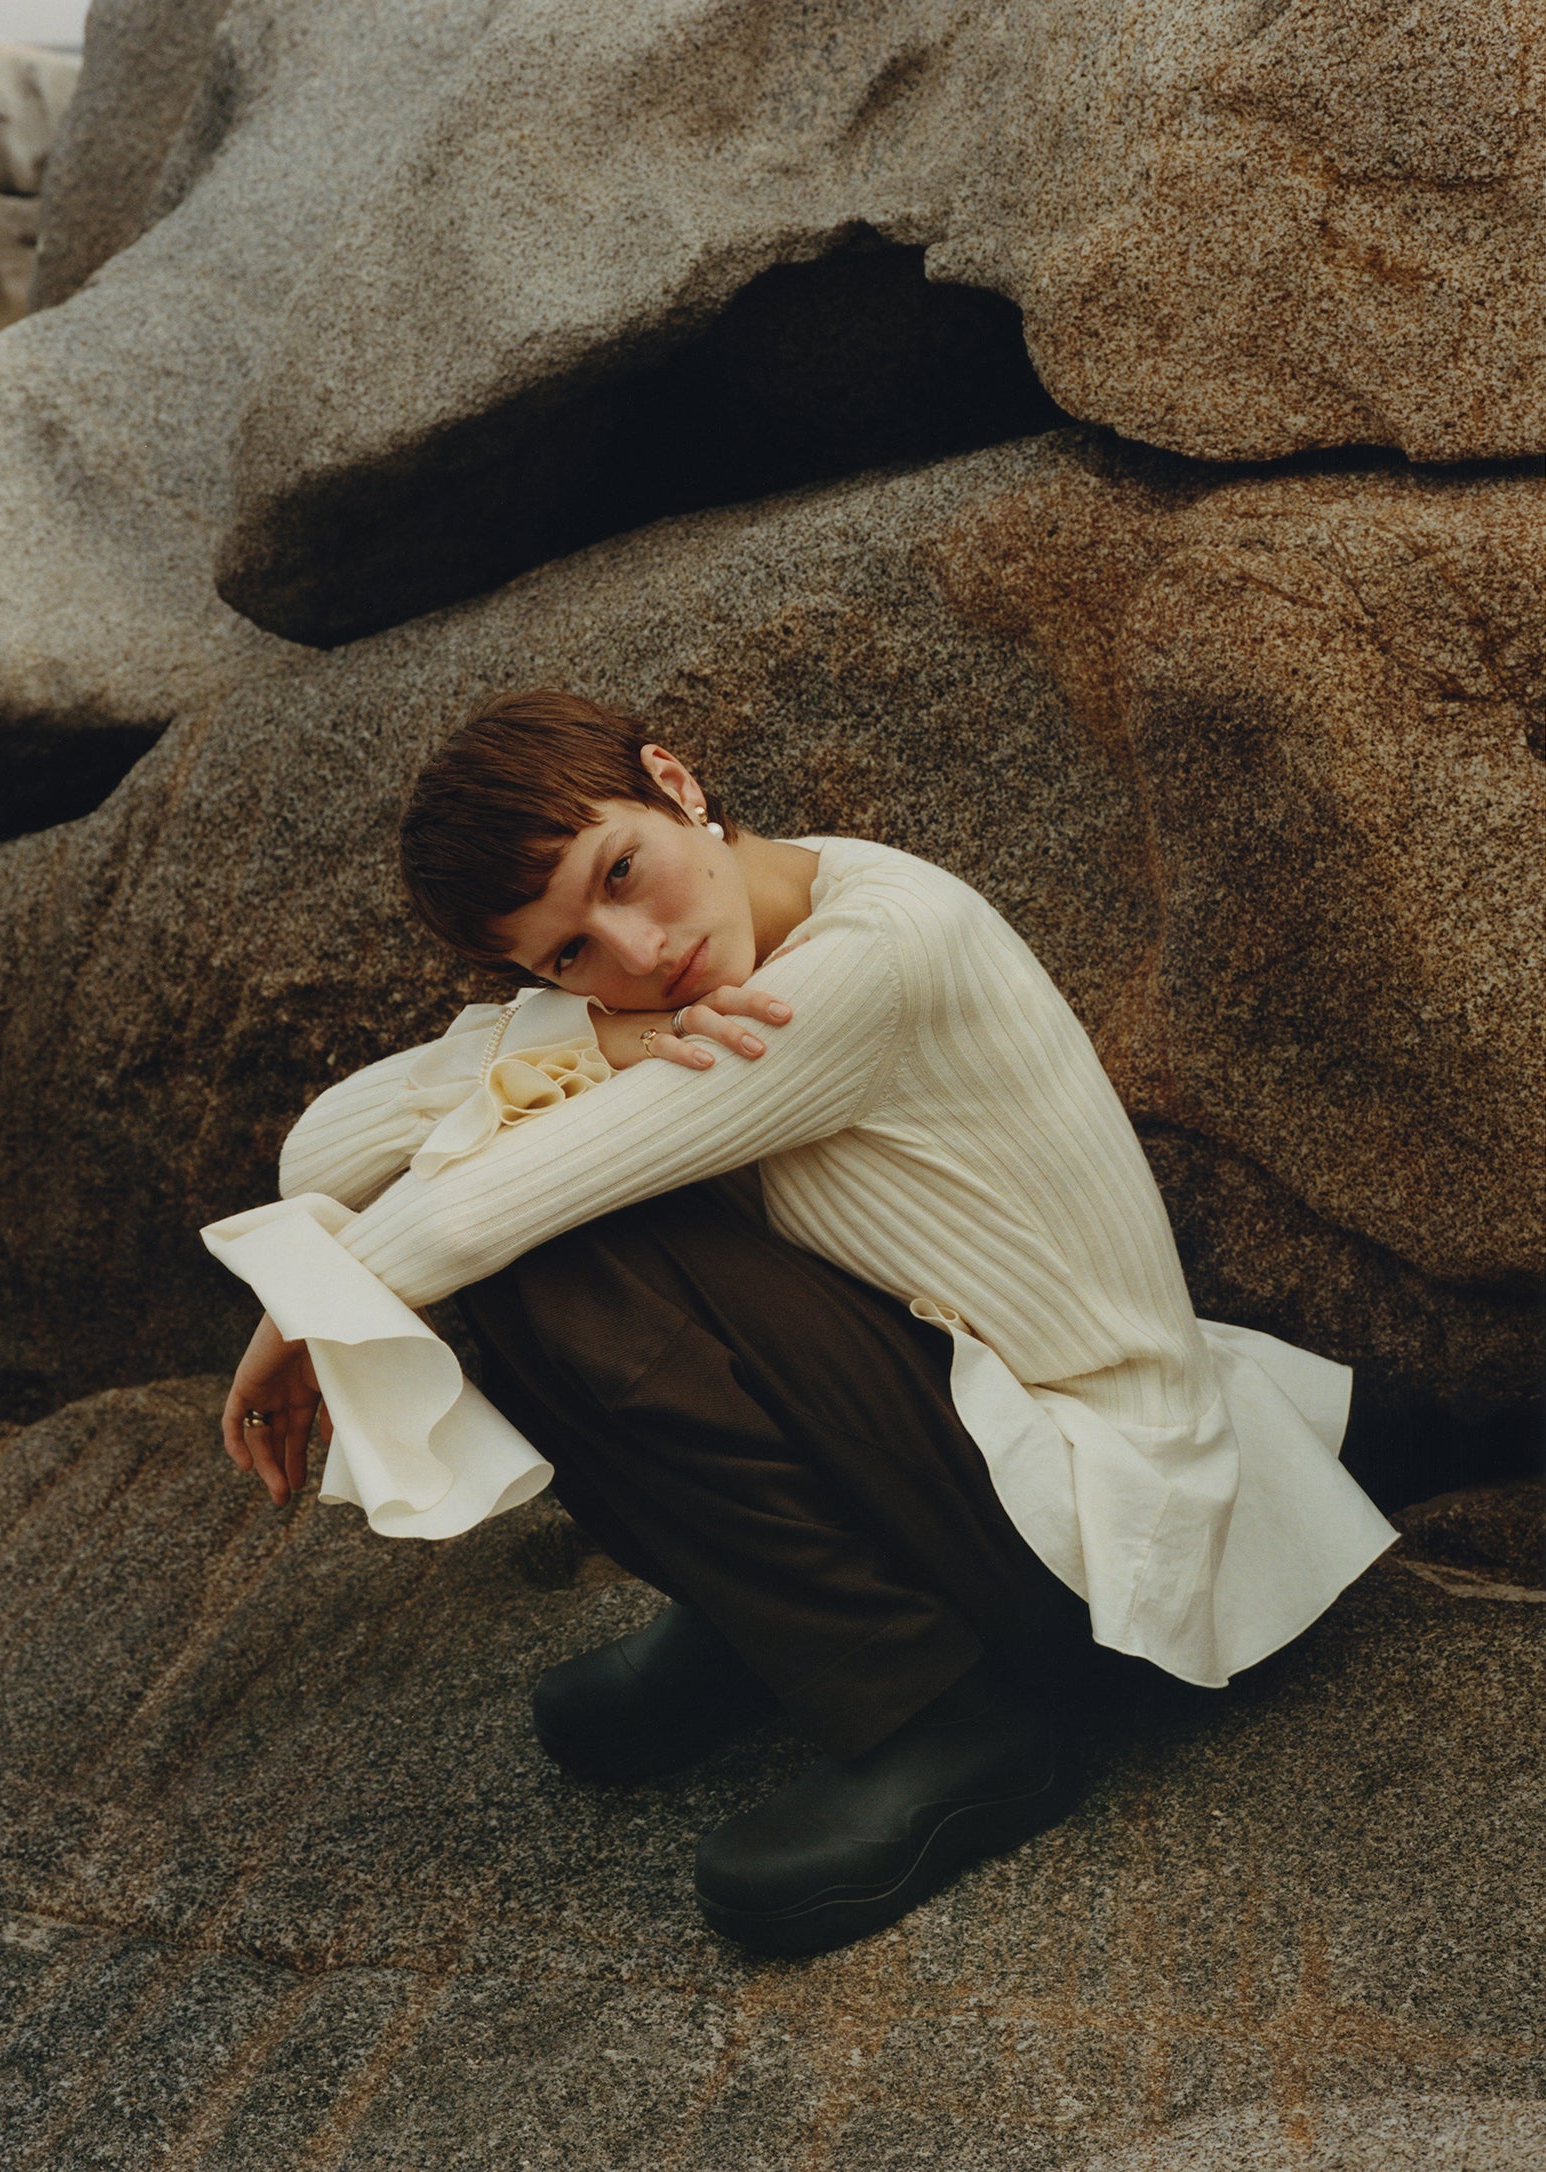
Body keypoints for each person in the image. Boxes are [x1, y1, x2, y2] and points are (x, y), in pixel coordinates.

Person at [203, 688, 1396, 1957]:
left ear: (675, 782)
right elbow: (319, 1153)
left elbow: (454, 1224)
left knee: (546, 1260)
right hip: (958, 1420)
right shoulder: (749, 918)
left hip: (1091, 1541)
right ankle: (759, 1617)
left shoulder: (866, 956)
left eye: (620, 872)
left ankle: (938, 1713)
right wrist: (596, 1037)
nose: (635, 951)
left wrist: (302, 1314)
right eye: (566, 954)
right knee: (532, 1177)